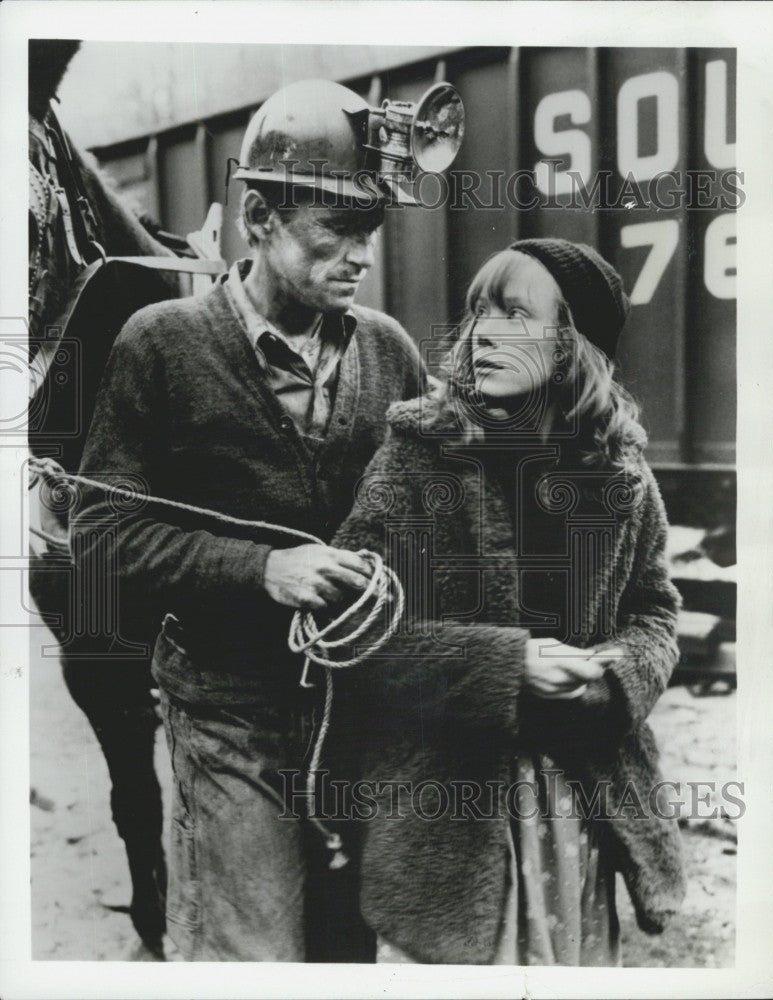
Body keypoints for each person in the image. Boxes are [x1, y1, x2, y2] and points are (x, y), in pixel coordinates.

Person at [70, 79, 427, 962]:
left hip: (360, 713)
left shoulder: (389, 350)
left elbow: (432, 515)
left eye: (368, 235)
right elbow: (100, 533)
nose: (358, 259)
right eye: (333, 233)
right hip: (227, 711)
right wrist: (261, 570)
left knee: (348, 947)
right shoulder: (161, 343)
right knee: (255, 952)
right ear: (259, 218)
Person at [329, 238, 686, 965]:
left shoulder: (620, 472)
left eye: (514, 314)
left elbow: (654, 611)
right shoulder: (417, 455)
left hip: (575, 805)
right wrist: (504, 663)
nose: (482, 332)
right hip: (445, 815)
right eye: (477, 312)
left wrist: (614, 672)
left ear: (569, 345)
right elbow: (352, 631)